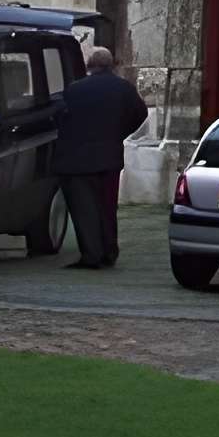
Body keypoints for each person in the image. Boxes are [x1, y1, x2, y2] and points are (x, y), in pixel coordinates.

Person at [49, 43, 149, 270]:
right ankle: (109, 251)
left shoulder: (74, 90)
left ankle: (92, 254)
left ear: (89, 66)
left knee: (85, 209)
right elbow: (140, 113)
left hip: (77, 159)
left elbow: (59, 117)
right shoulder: (124, 88)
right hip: (109, 157)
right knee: (107, 207)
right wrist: (119, 132)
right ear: (111, 65)